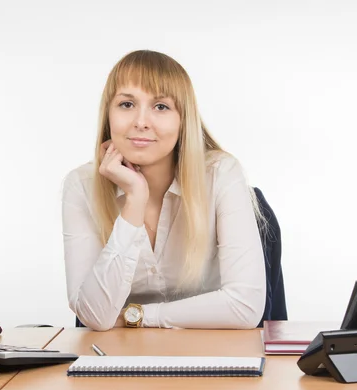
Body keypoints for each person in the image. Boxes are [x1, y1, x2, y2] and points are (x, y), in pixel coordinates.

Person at [61, 49, 266, 331]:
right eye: (126, 104)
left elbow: (244, 307)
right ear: (108, 114)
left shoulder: (220, 174)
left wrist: (137, 316)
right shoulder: (81, 185)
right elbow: (94, 315)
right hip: (118, 363)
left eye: (161, 107)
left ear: (184, 120)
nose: (141, 121)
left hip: (212, 356)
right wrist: (134, 200)